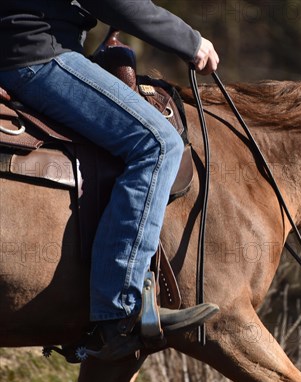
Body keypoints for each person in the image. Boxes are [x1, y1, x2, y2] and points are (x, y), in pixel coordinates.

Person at [0, 0, 220, 360]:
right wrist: (190, 41)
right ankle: (119, 310)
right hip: (36, 55)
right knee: (158, 143)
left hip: (23, 46)